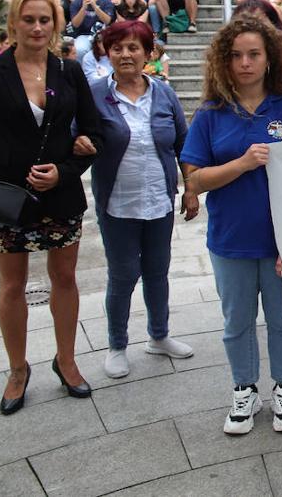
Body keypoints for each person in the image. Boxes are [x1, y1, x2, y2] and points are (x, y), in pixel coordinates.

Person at [0, 0, 103, 413]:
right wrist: (4, 176)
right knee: (12, 285)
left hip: (61, 194)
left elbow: (93, 134)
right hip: (10, 198)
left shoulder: (69, 71)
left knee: (65, 278)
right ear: (13, 24)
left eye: (45, 20)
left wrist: (63, 171)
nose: (37, 28)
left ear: (56, 25)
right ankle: (18, 369)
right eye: (29, 20)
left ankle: (67, 360)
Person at [180, 16, 282, 435]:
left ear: (270, 58)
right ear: (224, 61)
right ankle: (245, 389)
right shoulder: (210, 113)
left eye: (254, 54)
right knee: (236, 322)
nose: (245, 63)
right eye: (236, 55)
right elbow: (195, 180)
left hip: (279, 242)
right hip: (231, 240)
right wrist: (240, 164)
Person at [86, 19, 194, 379]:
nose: (125, 54)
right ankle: (117, 344)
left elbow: (183, 144)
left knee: (157, 272)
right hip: (117, 201)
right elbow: (75, 137)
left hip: (158, 199)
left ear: (148, 53)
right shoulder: (95, 93)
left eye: (134, 48)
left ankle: (159, 336)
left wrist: (191, 188)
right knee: (123, 274)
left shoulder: (163, 93)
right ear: (107, 52)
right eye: (117, 48)